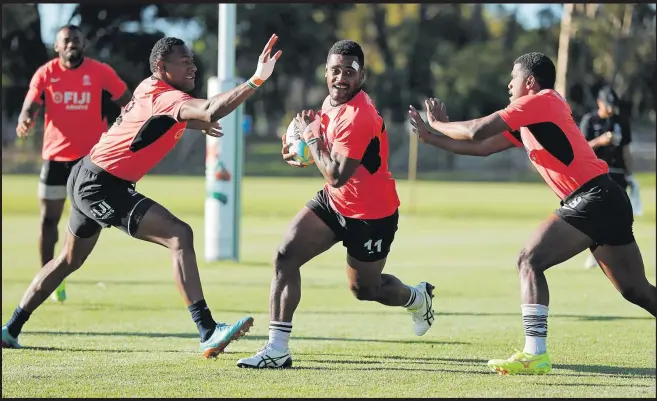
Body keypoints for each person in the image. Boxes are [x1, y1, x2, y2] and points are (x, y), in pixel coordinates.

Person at [2, 34, 283, 358]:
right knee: (179, 234)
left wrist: (196, 124)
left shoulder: (149, 88)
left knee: (68, 259)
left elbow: (153, 123)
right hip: (101, 185)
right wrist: (257, 78)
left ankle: (10, 329)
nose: (193, 66)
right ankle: (207, 331)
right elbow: (209, 109)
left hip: (88, 175)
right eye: (185, 61)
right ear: (163, 67)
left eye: (192, 60)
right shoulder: (164, 96)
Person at [408, 52, 656, 375]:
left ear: (529, 82)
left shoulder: (542, 100)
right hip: (607, 199)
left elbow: (476, 130)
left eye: (513, 77)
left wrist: (438, 123)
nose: (508, 84)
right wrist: (430, 138)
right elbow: (482, 147)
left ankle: (534, 353)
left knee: (529, 259)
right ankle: (534, 353)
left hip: (593, 196)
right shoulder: (530, 117)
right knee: (636, 290)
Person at [237, 40, 435, 369]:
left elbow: (335, 174)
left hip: (371, 215)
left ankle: (417, 298)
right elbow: (323, 153)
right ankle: (277, 348)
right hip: (334, 204)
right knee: (285, 256)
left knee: (365, 289)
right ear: (325, 72)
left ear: (362, 75)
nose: (341, 78)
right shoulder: (330, 103)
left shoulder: (359, 115)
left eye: (349, 71)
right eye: (335, 70)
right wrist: (297, 150)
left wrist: (311, 139)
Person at [16, 25, 132, 303]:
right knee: (49, 220)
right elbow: (30, 103)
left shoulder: (100, 71)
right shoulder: (46, 73)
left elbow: (127, 101)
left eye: (76, 41)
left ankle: (67, 267)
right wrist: (25, 118)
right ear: (57, 47)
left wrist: (126, 127)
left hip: (90, 161)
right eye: (66, 41)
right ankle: (48, 278)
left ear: (83, 45)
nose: (72, 45)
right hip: (56, 159)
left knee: (86, 223)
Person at [579, 86, 642, 268]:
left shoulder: (621, 121)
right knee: (597, 214)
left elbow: (625, 150)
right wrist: (600, 141)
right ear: (599, 103)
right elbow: (581, 149)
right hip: (596, 174)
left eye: (613, 105)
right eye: (608, 105)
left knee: (620, 215)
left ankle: (621, 255)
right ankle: (595, 251)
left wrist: (631, 175)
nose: (611, 109)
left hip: (617, 173)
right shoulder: (590, 121)